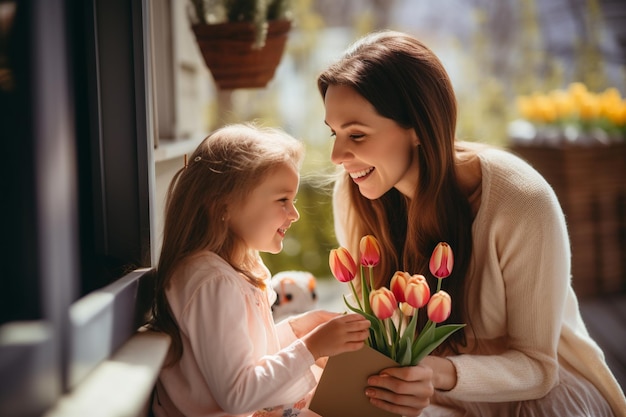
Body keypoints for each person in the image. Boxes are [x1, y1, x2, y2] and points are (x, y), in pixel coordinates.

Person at [317, 30, 626, 417]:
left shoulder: (521, 200)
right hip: (432, 394)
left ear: (418, 126)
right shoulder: (357, 196)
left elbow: (538, 368)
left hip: (537, 395)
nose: (336, 155)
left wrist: (438, 373)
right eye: (334, 132)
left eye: (357, 134)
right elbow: (389, 340)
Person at [149, 123, 371, 417]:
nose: (294, 214)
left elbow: (241, 354)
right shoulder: (213, 283)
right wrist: (312, 347)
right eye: (282, 200)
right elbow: (239, 395)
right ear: (222, 205)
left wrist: (297, 329)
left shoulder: (226, 272)